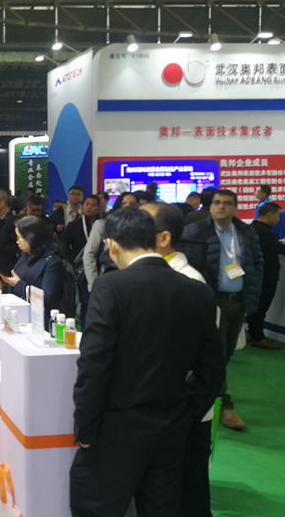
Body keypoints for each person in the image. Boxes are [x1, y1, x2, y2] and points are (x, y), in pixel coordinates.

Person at [70, 208, 224, 517]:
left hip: (114, 429)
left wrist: (85, 428)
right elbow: (212, 368)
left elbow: (94, 365)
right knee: (161, 507)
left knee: (95, 506)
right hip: (172, 427)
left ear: (113, 245)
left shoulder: (111, 286)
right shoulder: (198, 291)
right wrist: (186, 413)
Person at [141, 202, 218, 517]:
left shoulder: (190, 283)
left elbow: (205, 362)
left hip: (184, 412)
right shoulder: (143, 276)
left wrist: (186, 411)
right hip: (158, 411)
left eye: (140, 227)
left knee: (189, 494)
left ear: (163, 238)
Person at [180, 189, 263, 431]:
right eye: (217, 202)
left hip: (237, 301)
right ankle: (224, 405)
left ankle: (198, 391)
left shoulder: (246, 232)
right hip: (210, 302)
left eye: (227, 203)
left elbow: (256, 262)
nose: (221, 207)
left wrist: (252, 293)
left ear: (235, 208)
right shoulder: (196, 231)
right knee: (216, 354)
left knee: (226, 355)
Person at [0, 216, 65, 332]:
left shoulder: (53, 262)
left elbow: (47, 298)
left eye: (20, 237)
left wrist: (18, 284)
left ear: (32, 237)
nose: (17, 241)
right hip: (20, 315)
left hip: (40, 323)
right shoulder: (26, 255)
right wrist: (2, 288)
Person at [83, 192, 137, 291]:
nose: (128, 206)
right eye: (124, 203)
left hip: (135, 282)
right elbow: (89, 254)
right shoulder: (103, 225)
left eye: (132, 204)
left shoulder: (142, 229)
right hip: (108, 281)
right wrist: (94, 284)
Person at [248, 202, 285, 350]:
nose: (278, 219)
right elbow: (278, 248)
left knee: (256, 306)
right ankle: (258, 337)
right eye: (277, 215)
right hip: (266, 274)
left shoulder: (252, 228)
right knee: (262, 306)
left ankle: (253, 332)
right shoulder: (265, 233)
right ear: (270, 214)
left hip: (256, 274)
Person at [61, 195, 101, 327]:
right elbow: (62, 244)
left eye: (93, 205)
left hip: (101, 267)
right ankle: (85, 329)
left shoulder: (103, 224)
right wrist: (74, 259)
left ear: (99, 208)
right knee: (86, 301)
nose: (89, 207)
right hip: (82, 270)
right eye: (87, 204)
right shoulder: (74, 225)